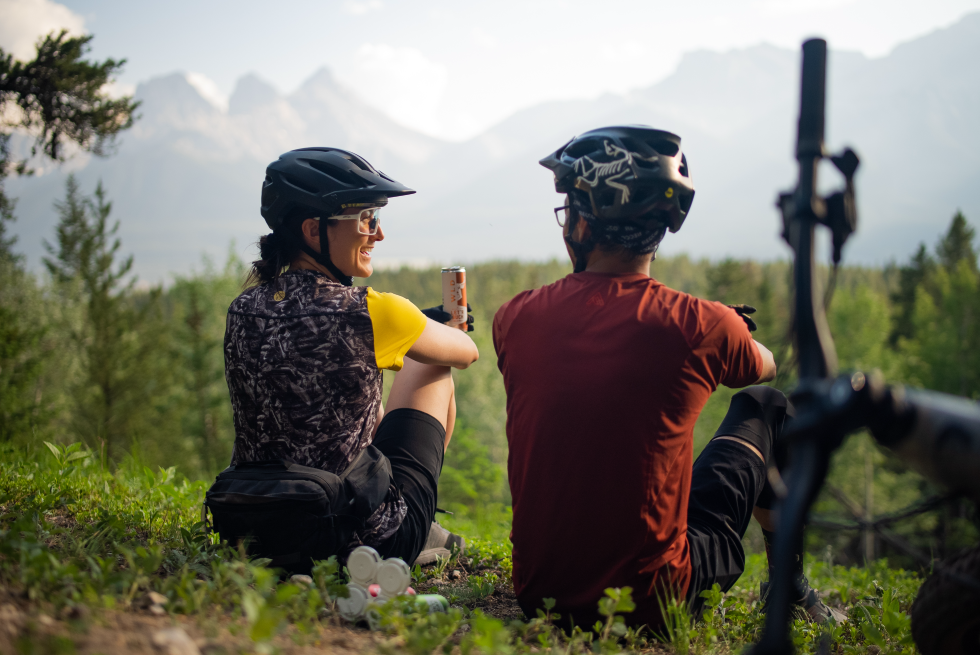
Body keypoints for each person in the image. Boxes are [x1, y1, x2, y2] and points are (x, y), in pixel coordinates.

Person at [492, 126, 845, 629]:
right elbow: (761, 366)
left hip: (540, 592)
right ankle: (788, 589)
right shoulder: (703, 325)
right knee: (768, 405)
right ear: (662, 224)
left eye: (568, 210)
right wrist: (725, 326)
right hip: (655, 599)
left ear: (584, 226)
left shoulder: (515, 316)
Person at [219, 147, 478, 569]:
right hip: (361, 543)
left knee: (359, 382)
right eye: (366, 219)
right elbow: (467, 352)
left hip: (257, 528)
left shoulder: (243, 307)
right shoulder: (371, 310)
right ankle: (416, 516)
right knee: (431, 362)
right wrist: (427, 326)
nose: (377, 235)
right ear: (312, 230)